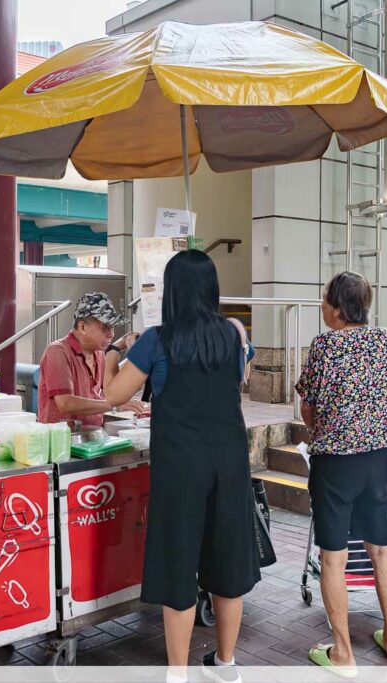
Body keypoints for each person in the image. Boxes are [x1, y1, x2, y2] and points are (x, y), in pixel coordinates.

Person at [106, 250, 259, 683]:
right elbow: (240, 378)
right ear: (211, 289)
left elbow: (114, 394)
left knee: (179, 562)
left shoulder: (157, 339)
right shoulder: (233, 332)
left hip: (180, 465)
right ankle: (226, 665)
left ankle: (178, 672)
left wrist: (116, 351)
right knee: (227, 561)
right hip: (230, 460)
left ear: (171, 291)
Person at [296, 271, 387, 678]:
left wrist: (322, 432)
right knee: (380, 548)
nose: (321, 307)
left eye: (323, 300)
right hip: (378, 461)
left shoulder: (324, 347)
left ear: (337, 308)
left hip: (335, 463)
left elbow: (308, 408)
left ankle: (343, 654)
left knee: (333, 558)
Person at [38, 292, 146, 427]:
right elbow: (65, 403)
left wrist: (118, 349)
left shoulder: (99, 354)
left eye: (112, 327)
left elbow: (112, 390)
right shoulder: (57, 352)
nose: (111, 334)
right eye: (105, 327)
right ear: (82, 327)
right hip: (61, 440)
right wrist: (114, 404)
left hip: (92, 439)